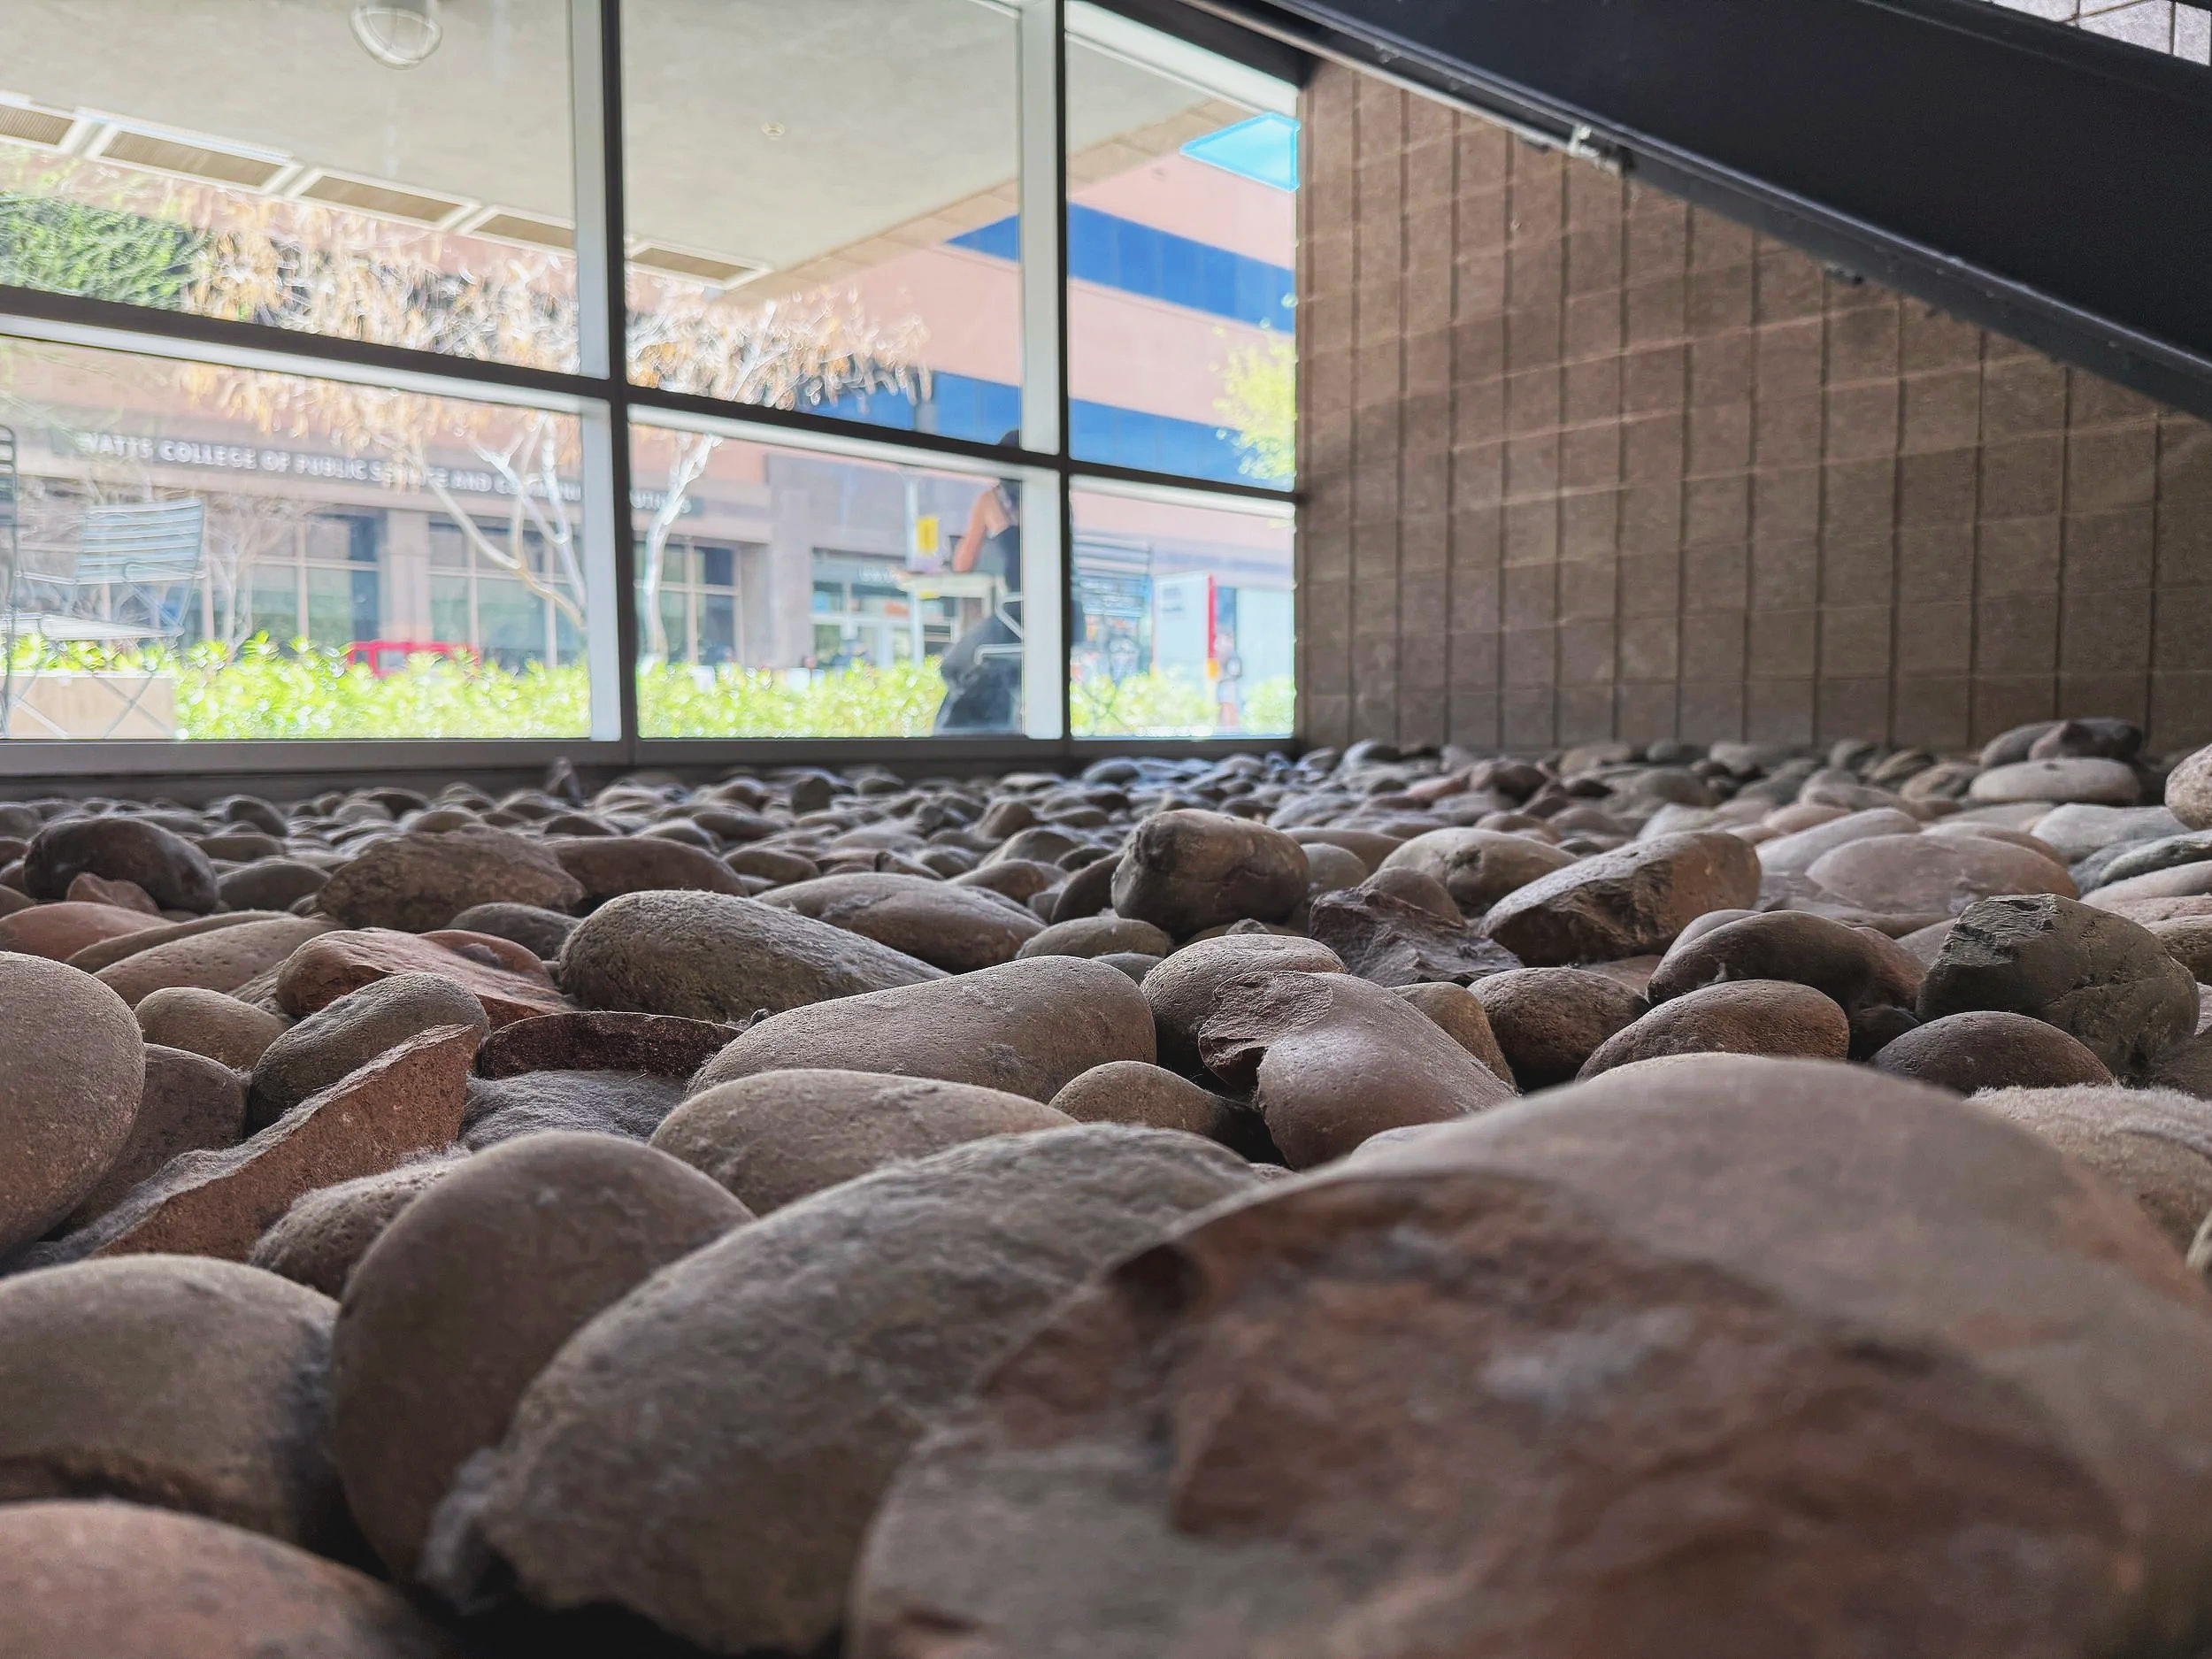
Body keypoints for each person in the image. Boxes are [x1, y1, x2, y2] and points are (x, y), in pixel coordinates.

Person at [933, 434, 1025, 732]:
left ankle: (965, 738)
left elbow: (962, 563)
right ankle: (1004, 726)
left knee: (955, 665)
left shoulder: (993, 500)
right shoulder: (1058, 499)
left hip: (1021, 616)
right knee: (1003, 666)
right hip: (1069, 617)